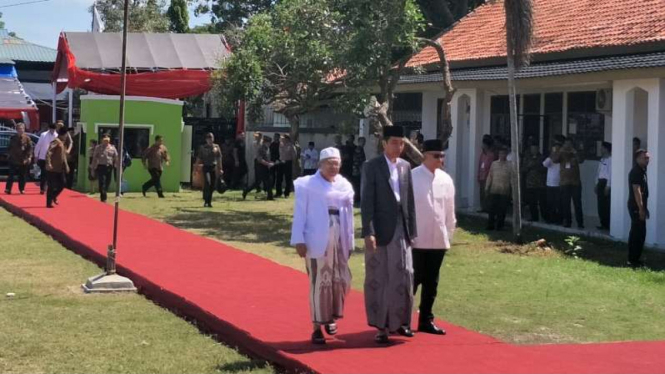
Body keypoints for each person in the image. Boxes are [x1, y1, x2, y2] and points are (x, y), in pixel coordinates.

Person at [290, 147, 354, 345]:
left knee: (340, 280)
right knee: (319, 282)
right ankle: (317, 326)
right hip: (316, 238)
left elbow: (350, 215)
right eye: (329, 163)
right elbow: (300, 213)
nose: (333, 167)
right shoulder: (308, 185)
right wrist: (298, 239)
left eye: (336, 163)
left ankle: (332, 317)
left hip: (339, 238)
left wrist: (350, 241)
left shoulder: (344, 185)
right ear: (320, 164)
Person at [361, 125, 417, 344]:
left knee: (405, 275)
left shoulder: (405, 166)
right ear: (384, 143)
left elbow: (409, 201)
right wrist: (369, 231)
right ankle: (381, 326)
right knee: (381, 277)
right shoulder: (372, 166)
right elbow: (367, 202)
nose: (398, 146)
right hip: (381, 230)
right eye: (394, 142)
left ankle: (401, 322)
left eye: (402, 143)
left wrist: (412, 231)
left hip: (402, 229)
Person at [411, 139, 455, 335]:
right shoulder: (411, 177)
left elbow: (450, 211)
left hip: (438, 239)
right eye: (436, 156)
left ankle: (426, 320)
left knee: (432, 283)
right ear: (424, 156)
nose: (440, 159)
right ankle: (401, 319)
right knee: (412, 281)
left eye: (442, 156)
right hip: (417, 240)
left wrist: (449, 235)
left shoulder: (445, 179)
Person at [552, 137, 585, 228]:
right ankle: (567, 222)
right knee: (565, 204)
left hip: (575, 182)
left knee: (577, 203)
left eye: (570, 144)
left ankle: (580, 223)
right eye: (566, 144)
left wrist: (574, 152)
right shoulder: (561, 153)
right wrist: (560, 151)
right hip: (564, 182)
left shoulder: (576, 152)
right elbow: (554, 160)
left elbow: (581, 160)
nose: (568, 146)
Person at [627, 149, 650, 268]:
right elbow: (637, 192)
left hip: (640, 206)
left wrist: (645, 208)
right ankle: (633, 260)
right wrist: (641, 209)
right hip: (636, 206)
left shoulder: (642, 170)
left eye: (648, 157)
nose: (647, 160)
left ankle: (635, 258)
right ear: (637, 159)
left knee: (640, 233)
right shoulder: (636, 171)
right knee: (637, 233)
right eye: (644, 158)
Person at [485, 147, 513, 230]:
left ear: (506, 155)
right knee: (492, 209)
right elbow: (490, 176)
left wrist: (513, 191)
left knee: (502, 209)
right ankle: (490, 225)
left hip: (505, 190)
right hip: (494, 189)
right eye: (500, 153)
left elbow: (512, 178)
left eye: (504, 153)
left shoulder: (510, 165)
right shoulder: (494, 164)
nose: (502, 155)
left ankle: (500, 226)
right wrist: (487, 187)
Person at [243, 135, 275, 200]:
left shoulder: (266, 149)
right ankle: (270, 196)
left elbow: (266, 158)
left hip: (264, 166)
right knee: (262, 181)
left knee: (264, 181)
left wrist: (271, 163)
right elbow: (260, 159)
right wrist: (268, 164)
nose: (270, 144)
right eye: (269, 142)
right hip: (260, 167)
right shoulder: (261, 149)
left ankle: (270, 196)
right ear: (266, 142)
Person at [196, 132, 223, 208]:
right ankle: (205, 200)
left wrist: (220, 168)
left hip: (213, 167)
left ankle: (209, 201)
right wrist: (196, 167)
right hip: (206, 167)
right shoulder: (203, 148)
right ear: (206, 140)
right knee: (207, 182)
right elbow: (199, 158)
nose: (210, 140)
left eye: (211, 138)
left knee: (212, 185)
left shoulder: (216, 147)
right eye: (208, 138)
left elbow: (219, 158)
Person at [45, 127, 70, 208]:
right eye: (66, 134)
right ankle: (49, 203)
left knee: (63, 183)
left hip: (60, 168)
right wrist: (48, 163)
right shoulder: (56, 141)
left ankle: (53, 196)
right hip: (53, 168)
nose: (67, 136)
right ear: (63, 134)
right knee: (51, 186)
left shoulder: (62, 143)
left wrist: (66, 166)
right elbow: (49, 152)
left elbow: (63, 156)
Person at [5, 123, 33, 195]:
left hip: (23, 160)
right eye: (19, 129)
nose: (21, 130)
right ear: (16, 130)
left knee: (22, 176)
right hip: (13, 159)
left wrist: (29, 157)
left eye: (22, 129)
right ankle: (8, 189)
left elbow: (30, 149)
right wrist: (9, 154)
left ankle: (22, 189)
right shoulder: (13, 138)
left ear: (24, 129)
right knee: (11, 175)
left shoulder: (27, 138)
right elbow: (9, 147)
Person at [522, 142, 547, 222]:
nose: (534, 151)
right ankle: (534, 217)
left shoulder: (542, 158)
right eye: (532, 149)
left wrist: (537, 166)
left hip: (540, 184)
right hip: (530, 184)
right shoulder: (527, 158)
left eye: (535, 149)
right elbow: (523, 169)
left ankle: (545, 217)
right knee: (532, 203)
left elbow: (545, 169)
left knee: (542, 203)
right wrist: (529, 167)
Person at [91, 134, 118, 203]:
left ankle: (104, 194)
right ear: (102, 140)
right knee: (102, 183)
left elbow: (116, 157)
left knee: (107, 183)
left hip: (109, 167)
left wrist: (116, 165)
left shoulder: (112, 148)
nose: (106, 141)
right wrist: (93, 169)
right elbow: (94, 158)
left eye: (107, 140)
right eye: (105, 140)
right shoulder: (98, 147)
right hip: (101, 166)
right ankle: (103, 199)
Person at [33, 122, 58, 194]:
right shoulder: (43, 135)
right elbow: (38, 145)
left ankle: (50, 187)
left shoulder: (57, 135)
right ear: (49, 129)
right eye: (51, 129)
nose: (52, 131)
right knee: (44, 173)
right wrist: (36, 155)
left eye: (54, 129)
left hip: (53, 158)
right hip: (43, 157)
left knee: (52, 174)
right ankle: (42, 188)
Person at [542, 142, 562, 224]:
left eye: (558, 149)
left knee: (558, 203)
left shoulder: (562, 159)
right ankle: (550, 218)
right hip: (550, 184)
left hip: (558, 184)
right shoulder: (549, 159)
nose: (556, 151)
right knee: (550, 202)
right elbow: (545, 164)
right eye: (555, 149)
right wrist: (551, 155)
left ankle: (558, 219)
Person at [477, 136, 496, 213]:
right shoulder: (482, 154)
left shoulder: (491, 155)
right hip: (482, 176)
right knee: (481, 192)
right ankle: (483, 207)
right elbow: (480, 164)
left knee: (487, 193)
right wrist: (478, 174)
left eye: (484, 144)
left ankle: (488, 208)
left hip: (488, 176)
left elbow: (491, 167)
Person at [596, 142, 612, 230]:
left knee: (606, 204)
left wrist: (608, 186)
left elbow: (610, 173)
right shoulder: (602, 159)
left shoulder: (611, 159)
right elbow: (598, 172)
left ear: (606, 149)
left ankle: (608, 224)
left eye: (602, 148)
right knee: (600, 204)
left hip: (606, 183)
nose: (600, 149)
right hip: (600, 182)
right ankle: (603, 223)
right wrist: (596, 183)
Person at [351, 137, 366, 205]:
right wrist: (360, 169)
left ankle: (357, 198)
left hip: (358, 169)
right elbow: (358, 161)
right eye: (362, 141)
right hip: (357, 170)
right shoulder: (359, 149)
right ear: (359, 142)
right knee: (357, 185)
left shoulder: (361, 149)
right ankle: (356, 199)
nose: (363, 143)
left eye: (364, 141)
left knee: (357, 184)